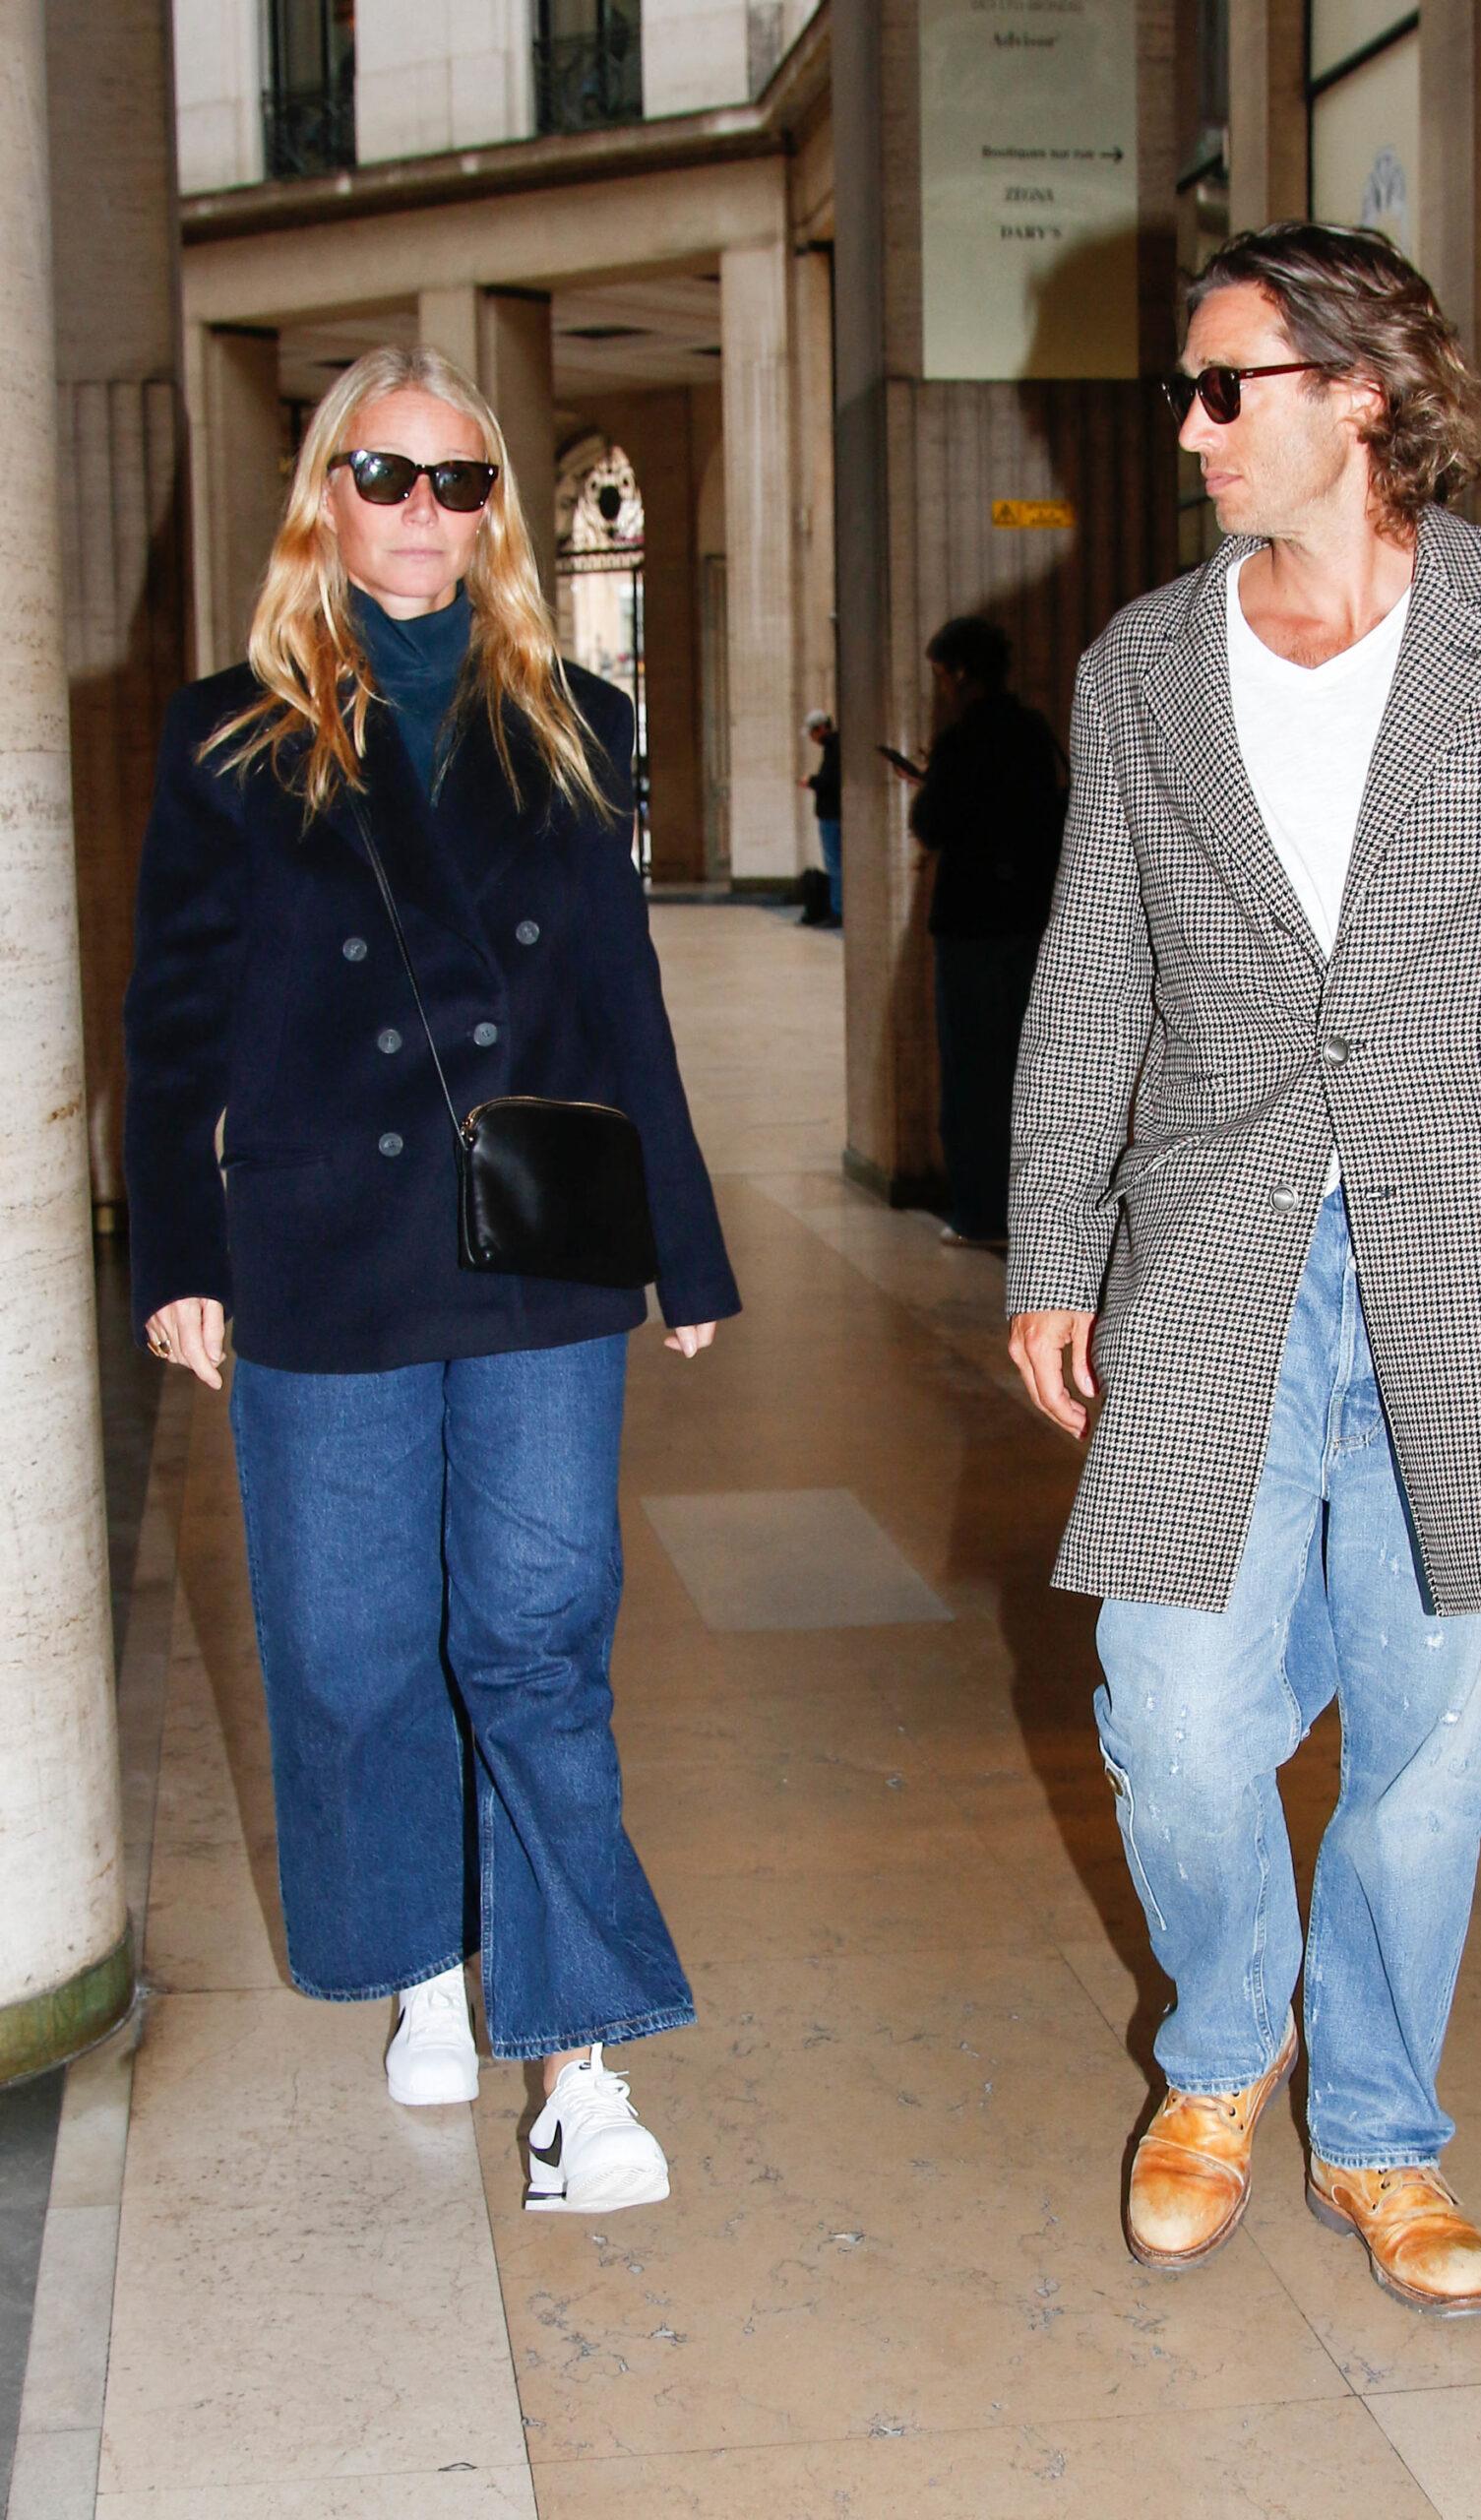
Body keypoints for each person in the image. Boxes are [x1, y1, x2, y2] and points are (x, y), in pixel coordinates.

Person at [1006, 223, 1481, 2315]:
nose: (1190, 425)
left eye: (1225, 383)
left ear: (1361, 389)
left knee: (1426, 1753)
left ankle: (1379, 2132)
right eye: (1188, 384)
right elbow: (1097, 968)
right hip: (1214, 1254)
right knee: (1173, 1712)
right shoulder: (1147, 664)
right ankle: (1220, 2051)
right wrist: (1054, 1239)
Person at [124, 345, 740, 2217]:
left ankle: (580, 2060)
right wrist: (182, 1250)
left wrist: (683, 1247)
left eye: (461, 484)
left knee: (539, 1631)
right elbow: (174, 1026)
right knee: (348, 1647)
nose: (422, 514)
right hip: (325, 1242)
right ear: (324, 494)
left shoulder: (576, 719)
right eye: (386, 477)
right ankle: (415, 1958)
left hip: (537, 1244)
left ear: (499, 520)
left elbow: (620, 994)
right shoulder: (231, 735)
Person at [905, 616, 1066, 1250]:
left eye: (942, 675)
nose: (940, 688)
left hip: (973, 924)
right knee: (1032, 1072)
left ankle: (978, 1214)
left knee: (972, 1074)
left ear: (961, 674)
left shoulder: (963, 738)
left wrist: (927, 788)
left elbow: (934, 820)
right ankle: (1039, 1216)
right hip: (1030, 916)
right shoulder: (1032, 731)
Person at [802, 707, 842, 924]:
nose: (811, 738)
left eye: (812, 733)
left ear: (821, 729)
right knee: (836, 863)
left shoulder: (833, 748)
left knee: (834, 864)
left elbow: (830, 782)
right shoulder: (834, 747)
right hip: (833, 814)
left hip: (832, 815)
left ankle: (838, 910)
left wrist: (811, 781)